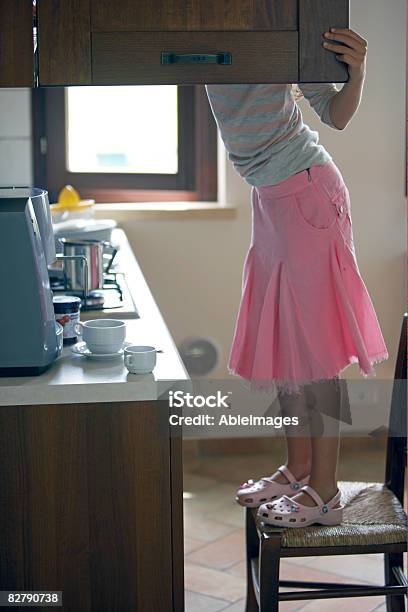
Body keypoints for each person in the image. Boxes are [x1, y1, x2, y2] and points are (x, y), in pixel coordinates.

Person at [205, 28, 388, 527]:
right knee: (289, 345)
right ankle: (299, 467)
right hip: (271, 197)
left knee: (317, 352)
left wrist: (359, 69)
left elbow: (337, 114)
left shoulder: (281, 28)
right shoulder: (202, 31)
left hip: (306, 190)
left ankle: (325, 493)